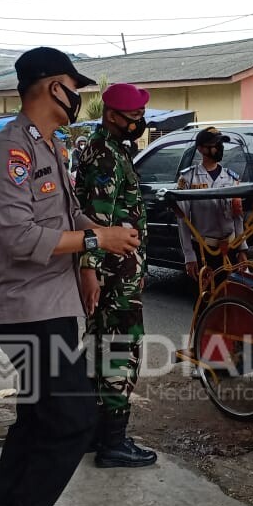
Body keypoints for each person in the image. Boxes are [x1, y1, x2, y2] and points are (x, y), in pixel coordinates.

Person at [0, 47, 139, 506]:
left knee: (38, 420)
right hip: (27, 312)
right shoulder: (9, 152)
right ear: (51, 87)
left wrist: (93, 242)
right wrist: (98, 239)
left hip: (57, 305)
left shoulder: (51, 146)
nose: (79, 96)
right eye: (75, 86)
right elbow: (19, 238)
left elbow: (63, 216)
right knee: (72, 420)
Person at [73, 83, 157, 468]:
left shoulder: (110, 149)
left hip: (118, 268)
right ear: (112, 116)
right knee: (120, 350)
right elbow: (98, 222)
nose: (138, 123)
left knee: (102, 348)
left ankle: (94, 433)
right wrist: (89, 270)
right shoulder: (105, 155)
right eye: (133, 117)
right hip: (113, 271)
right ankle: (113, 442)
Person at [176, 127, 247, 282]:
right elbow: (183, 220)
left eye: (220, 144)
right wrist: (189, 255)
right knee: (206, 299)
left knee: (230, 299)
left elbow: (238, 217)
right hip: (203, 249)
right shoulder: (189, 178)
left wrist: (242, 248)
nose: (219, 148)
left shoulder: (231, 178)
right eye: (215, 144)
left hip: (229, 248)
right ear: (201, 149)